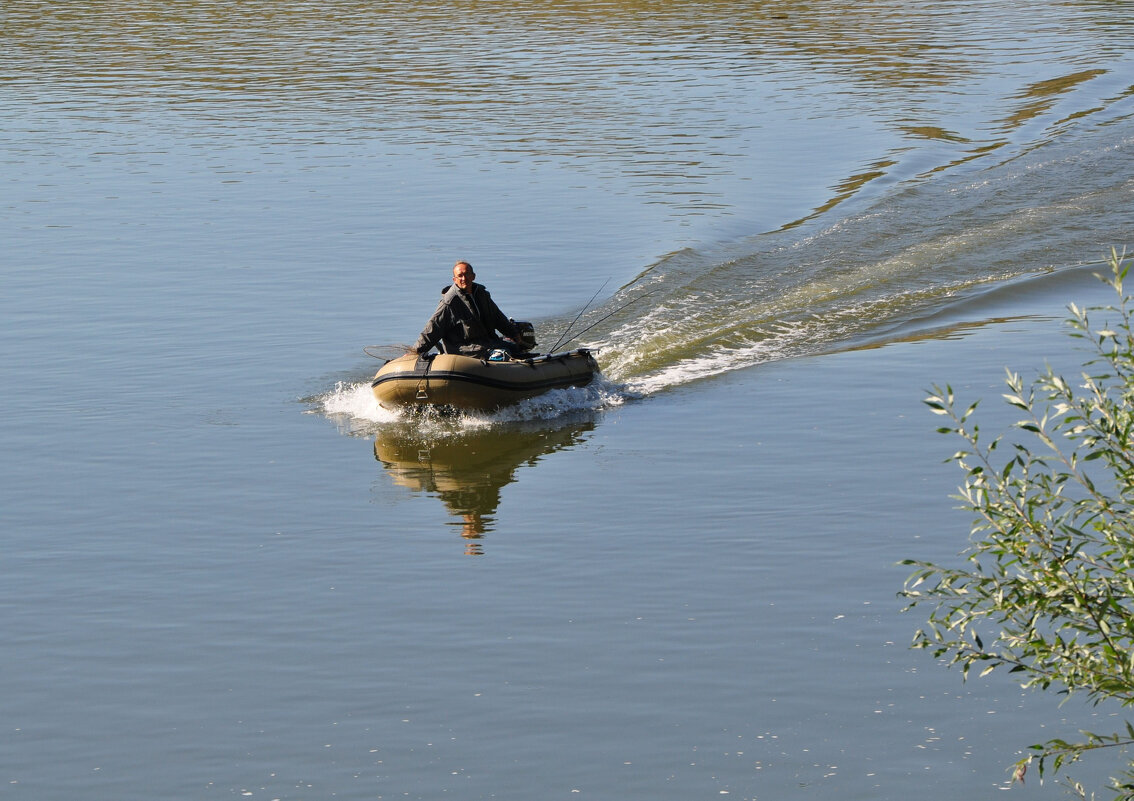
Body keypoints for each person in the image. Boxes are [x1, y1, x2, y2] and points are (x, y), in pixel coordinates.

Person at [412, 261, 523, 357]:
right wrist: (415, 352)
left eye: (466, 274)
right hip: (464, 349)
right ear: (454, 279)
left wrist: (513, 334)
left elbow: (498, 318)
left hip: (486, 344)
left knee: (514, 348)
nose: (463, 278)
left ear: (473, 276)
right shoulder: (449, 302)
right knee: (505, 352)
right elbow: (432, 328)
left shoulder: (481, 294)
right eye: (460, 276)